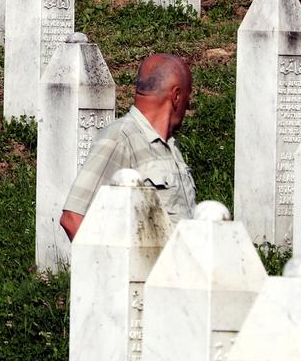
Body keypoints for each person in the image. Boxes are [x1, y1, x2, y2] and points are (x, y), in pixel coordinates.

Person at [59, 53, 197, 240]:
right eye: (187, 99)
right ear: (176, 96)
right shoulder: (120, 137)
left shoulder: (170, 147)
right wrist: (110, 267)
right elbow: (73, 218)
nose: (187, 107)